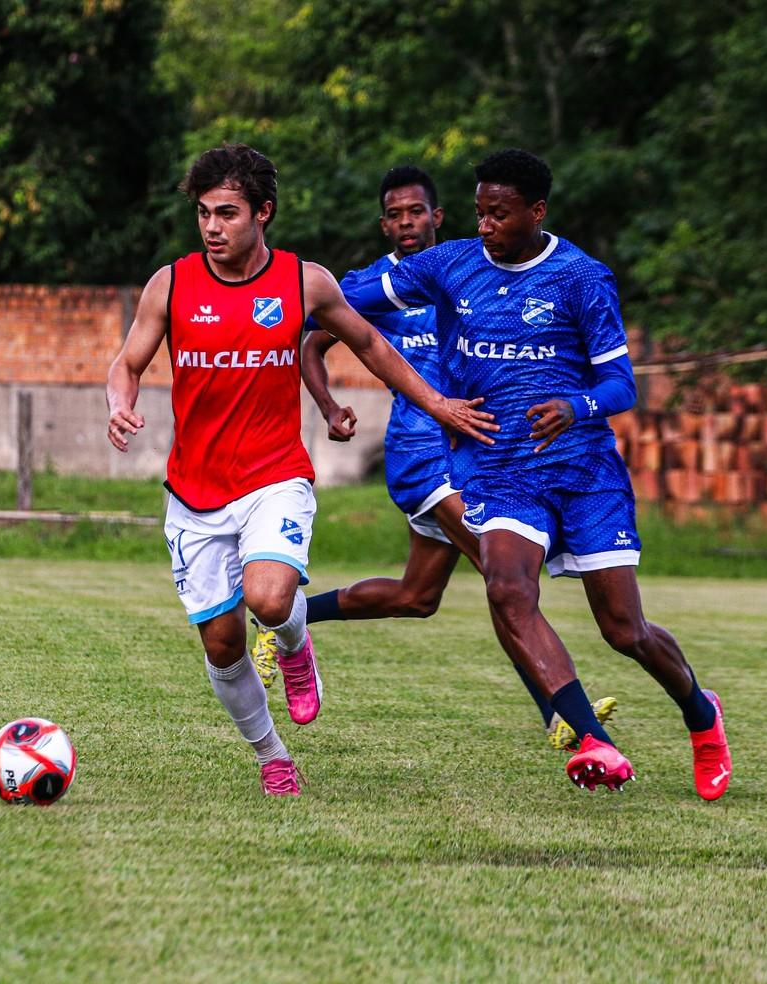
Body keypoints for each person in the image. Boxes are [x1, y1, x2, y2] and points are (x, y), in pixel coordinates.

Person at [340, 148, 731, 799]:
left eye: (500, 213)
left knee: (624, 630)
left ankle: (701, 714)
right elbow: (340, 296)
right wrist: (275, 291)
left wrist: (577, 405)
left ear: (536, 211)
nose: (486, 224)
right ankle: (592, 740)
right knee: (507, 588)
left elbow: (620, 385)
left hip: (583, 476)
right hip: (500, 470)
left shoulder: (582, 278)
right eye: (479, 211)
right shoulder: (449, 265)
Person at [106, 144, 495, 797]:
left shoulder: (302, 282)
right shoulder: (169, 285)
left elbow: (369, 342)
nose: (211, 228)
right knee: (224, 645)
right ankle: (272, 755)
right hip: (193, 492)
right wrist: (119, 404)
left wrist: (434, 403)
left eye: (226, 213)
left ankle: (292, 643)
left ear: (263, 212)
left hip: (274, 476)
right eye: (203, 214)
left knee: (268, 597)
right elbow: (128, 361)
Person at [251, 165, 616, 752]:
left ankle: (289, 615)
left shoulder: (464, 273)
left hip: (473, 449)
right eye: (393, 215)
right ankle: (562, 716)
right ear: (383, 224)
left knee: (416, 597)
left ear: (437, 216)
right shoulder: (369, 286)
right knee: (504, 578)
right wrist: (327, 405)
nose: (405, 223)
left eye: (415, 212)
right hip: (422, 453)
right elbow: (311, 339)